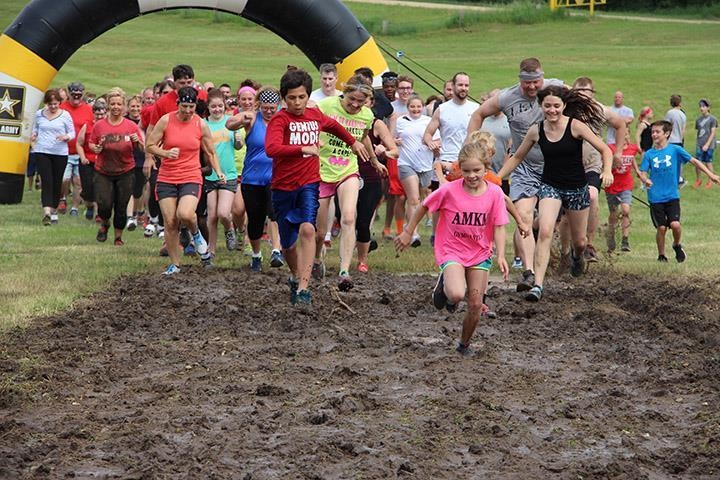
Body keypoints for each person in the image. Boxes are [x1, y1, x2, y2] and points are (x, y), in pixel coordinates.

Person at [496, 86, 613, 302]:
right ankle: (538, 285)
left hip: (577, 187)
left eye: (556, 106)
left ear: (564, 106)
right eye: (547, 106)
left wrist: (606, 171)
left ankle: (577, 257)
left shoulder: (575, 126)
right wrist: (496, 178)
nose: (552, 110)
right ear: (541, 106)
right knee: (546, 231)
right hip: (550, 185)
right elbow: (517, 157)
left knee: (580, 241)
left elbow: (605, 149)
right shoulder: (536, 130)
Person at [264, 68, 370, 305]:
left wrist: (352, 142)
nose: (297, 102)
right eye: (292, 98)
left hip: (309, 184)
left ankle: (303, 286)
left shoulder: (314, 115)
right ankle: (294, 275)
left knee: (309, 230)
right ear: (284, 98)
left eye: (301, 97)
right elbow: (271, 149)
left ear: (308, 95)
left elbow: (334, 126)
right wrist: (303, 149)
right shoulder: (280, 120)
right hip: (283, 187)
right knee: (288, 244)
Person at [395, 141, 509, 356]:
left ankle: (464, 345)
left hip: (480, 253)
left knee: (475, 305)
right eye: (466, 171)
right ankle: (446, 287)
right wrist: (408, 231)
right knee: (457, 294)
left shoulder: (494, 193)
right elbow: (424, 206)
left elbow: (500, 226)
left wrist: (501, 255)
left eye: (477, 170)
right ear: (459, 169)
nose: (472, 176)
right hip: (452, 249)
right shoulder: (449, 190)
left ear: (486, 168)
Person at [466, 58, 564, 292]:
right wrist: (471, 147)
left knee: (554, 224)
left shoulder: (556, 89)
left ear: (543, 78)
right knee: (523, 215)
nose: (532, 88)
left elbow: (584, 105)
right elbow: (477, 114)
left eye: (536, 82)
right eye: (526, 83)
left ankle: (573, 252)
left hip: (555, 166)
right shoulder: (507, 98)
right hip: (524, 165)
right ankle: (529, 272)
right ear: (520, 80)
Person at [313, 76, 385, 291]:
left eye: (360, 102)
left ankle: (344, 271)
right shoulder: (327, 106)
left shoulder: (366, 115)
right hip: (323, 170)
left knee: (349, 217)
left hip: (348, 170)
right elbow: (310, 125)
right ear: (344, 93)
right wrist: (317, 140)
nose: (355, 105)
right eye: (352, 100)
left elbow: (364, 137)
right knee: (319, 231)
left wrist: (373, 161)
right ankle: (317, 259)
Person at [145, 86, 226, 275]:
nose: (188, 111)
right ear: (178, 104)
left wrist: (219, 171)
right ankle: (175, 264)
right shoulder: (166, 121)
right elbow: (149, 145)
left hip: (191, 175)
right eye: (184, 106)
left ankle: (196, 235)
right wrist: (165, 152)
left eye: (191, 107)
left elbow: (210, 151)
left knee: (186, 214)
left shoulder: (200, 124)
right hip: (167, 177)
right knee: (170, 221)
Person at [638, 120, 720, 263]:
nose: (654, 134)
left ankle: (676, 245)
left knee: (675, 225)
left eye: (657, 132)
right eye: (652, 132)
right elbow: (643, 172)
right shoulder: (649, 154)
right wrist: (645, 180)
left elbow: (694, 161)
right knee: (662, 227)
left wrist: (711, 175)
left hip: (672, 195)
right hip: (655, 197)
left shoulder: (675, 150)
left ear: (667, 134)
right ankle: (661, 255)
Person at [226, 87, 286, 270]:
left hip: (275, 177)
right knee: (255, 220)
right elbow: (230, 123)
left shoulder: (282, 119)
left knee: (274, 213)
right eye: (265, 108)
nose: (269, 111)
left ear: (277, 105)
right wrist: (242, 118)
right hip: (252, 178)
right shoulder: (252, 118)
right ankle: (256, 255)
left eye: (272, 108)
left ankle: (276, 250)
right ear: (260, 105)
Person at [570, 77, 627, 263]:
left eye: (587, 92)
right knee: (566, 211)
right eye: (579, 91)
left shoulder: (599, 109)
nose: (583, 95)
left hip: (592, 164)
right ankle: (566, 248)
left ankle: (589, 245)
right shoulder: (566, 108)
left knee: (592, 197)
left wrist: (617, 152)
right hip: (568, 165)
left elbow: (620, 124)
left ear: (592, 93)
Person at [87, 88, 144, 246]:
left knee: (121, 205)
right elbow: (91, 142)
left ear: (124, 106)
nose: (116, 107)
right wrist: (95, 148)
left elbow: (142, 148)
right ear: (108, 106)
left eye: (119, 104)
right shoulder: (100, 125)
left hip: (126, 171)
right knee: (104, 204)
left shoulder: (131, 126)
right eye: (113, 104)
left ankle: (118, 237)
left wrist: (137, 141)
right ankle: (105, 223)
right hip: (103, 171)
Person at [357, 93, 397, 272]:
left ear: (371, 103)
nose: (360, 106)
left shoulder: (377, 124)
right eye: (356, 102)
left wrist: (384, 152)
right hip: (345, 173)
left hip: (371, 177)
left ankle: (361, 260)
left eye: (364, 102)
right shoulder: (347, 121)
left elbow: (395, 151)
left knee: (364, 221)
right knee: (345, 217)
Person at [204, 89, 240, 259]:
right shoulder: (204, 124)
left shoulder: (230, 122)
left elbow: (238, 146)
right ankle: (211, 250)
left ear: (224, 106)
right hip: (210, 175)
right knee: (211, 215)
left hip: (229, 173)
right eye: (213, 106)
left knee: (223, 213)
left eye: (220, 106)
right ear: (208, 107)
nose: (217, 109)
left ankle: (229, 228)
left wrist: (239, 140)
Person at [31, 89, 75, 225]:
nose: (53, 107)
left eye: (56, 104)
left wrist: (66, 137)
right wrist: (34, 135)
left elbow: (72, 132)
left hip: (60, 153)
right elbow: (35, 128)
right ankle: (47, 212)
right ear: (46, 103)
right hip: (42, 151)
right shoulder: (39, 114)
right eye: (51, 104)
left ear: (59, 103)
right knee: (47, 181)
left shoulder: (65, 115)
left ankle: (54, 210)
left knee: (57, 182)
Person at [397, 94, 435, 247]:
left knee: (424, 198)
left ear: (423, 107)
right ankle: (413, 233)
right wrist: (395, 141)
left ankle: (411, 226)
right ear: (408, 108)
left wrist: (432, 143)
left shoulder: (428, 121)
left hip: (425, 163)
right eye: (412, 106)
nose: (415, 109)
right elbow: (390, 137)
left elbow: (437, 139)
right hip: (406, 163)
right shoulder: (401, 121)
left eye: (418, 106)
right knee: (413, 199)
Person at [59, 82, 94, 216]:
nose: (76, 97)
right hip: (64, 150)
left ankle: (74, 207)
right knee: (65, 179)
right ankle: (62, 198)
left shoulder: (88, 109)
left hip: (81, 152)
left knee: (79, 181)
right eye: (73, 94)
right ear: (69, 94)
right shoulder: (62, 108)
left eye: (79, 95)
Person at [606, 131, 641, 253]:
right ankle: (611, 236)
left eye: (627, 134)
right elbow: (605, 165)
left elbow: (633, 159)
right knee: (614, 214)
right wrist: (613, 165)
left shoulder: (633, 148)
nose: (625, 136)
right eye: (622, 134)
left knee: (626, 210)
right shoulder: (610, 148)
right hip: (612, 185)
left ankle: (625, 240)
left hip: (626, 184)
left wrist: (638, 171)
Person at [76, 98, 108, 223]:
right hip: (88, 162)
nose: (100, 116)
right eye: (97, 114)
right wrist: (83, 157)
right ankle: (89, 205)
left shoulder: (108, 126)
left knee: (100, 188)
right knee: (88, 189)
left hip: (103, 163)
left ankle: (99, 213)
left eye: (102, 114)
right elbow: (79, 143)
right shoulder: (87, 125)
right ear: (93, 113)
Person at [124, 94, 148, 231]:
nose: (135, 109)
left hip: (141, 160)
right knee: (129, 189)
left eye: (137, 106)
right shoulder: (125, 121)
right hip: (127, 160)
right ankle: (130, 217)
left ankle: (139, 211)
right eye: (132, 106)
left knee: (139, 190)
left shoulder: (144, 122)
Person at [693, 99, 717, 188]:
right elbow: (699, 132)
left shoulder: (713, 119)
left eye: (703, 106)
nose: (701, 108)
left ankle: (710, 180)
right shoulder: (698, 120)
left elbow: (713, 132)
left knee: (708, 161)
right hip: (700, 144)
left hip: (709, 145)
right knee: (697, 162)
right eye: (700, 106)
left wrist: (707, 144)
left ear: (708, 108)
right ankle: (698, 180)